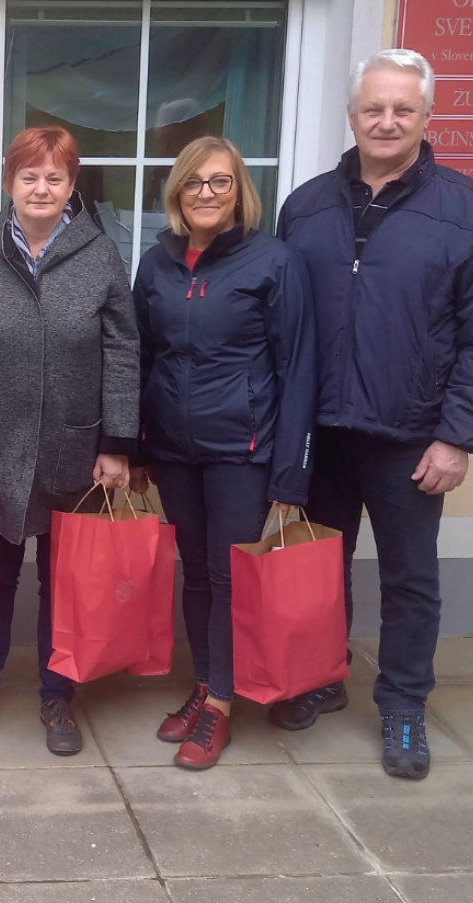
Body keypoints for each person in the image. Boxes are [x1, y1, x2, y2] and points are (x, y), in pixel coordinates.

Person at [274, 49, 473, 780]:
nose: (387, 121)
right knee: (318, 569)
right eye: (373, 109)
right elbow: (281, 323)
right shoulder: (306, 207)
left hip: (411, 434)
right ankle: (322, 675)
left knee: (410, 579)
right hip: (322, 431)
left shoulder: (469, 210)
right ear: (352, 116)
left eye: (402, 109)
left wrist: (458, 436)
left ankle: (404, 703)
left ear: (426, 116)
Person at [0, 124, 140, 756]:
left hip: (73, 446)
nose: (41, 188)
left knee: (64, 579)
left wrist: (117, 442)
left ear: (72, 185)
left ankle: (57, 694)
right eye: (29, 176)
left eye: (55, 177)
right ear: (9, 182)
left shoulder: (99, 255)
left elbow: (123, 350)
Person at [129, 136, 317, 770]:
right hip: (175, 451)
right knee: (197, 573)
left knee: (230, 577)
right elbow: (142, 358)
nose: (206, 193)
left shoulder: (274, 262)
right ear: (176, 193)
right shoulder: (156, 264)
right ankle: (207, 684)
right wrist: (137, 447)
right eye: (193, 182)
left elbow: (298, 370)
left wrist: (291, 472)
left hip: (243, 449)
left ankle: (222, 706)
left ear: (239, 191)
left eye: (220, 181)